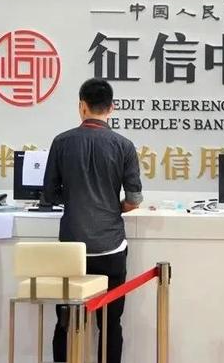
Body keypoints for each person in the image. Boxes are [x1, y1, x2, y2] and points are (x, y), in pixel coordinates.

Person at [44, 78, 143, 363]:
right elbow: (134, 199)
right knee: (111, 323)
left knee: (65, 320)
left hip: (72, 247)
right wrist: (113, 207)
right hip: (111, 246)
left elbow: (49, 194)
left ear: (82, 106)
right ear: (111, 108)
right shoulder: (124, 145)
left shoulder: (61, 142)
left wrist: (74, 199)